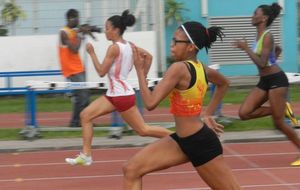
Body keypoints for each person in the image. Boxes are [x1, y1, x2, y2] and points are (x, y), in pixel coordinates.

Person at [123, 21, 241, 190]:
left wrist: (140, 71)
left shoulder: (178, 68)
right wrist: (208, 113)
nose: (171, 46)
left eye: (175, 41)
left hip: (200, 143)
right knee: (131, 169)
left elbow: (150, 103)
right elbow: (223, 83)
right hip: (181, 141)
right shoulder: (201, 68)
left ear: (191, 47)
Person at [65, 10, 172, 166]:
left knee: (143, 130)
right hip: (114, 95)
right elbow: (148, 56)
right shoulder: (131, 46)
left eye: (107, 28)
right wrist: (144, 75)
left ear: (116, 30)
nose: (106, 31)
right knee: (85, 115)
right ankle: (86, 155)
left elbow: (101, 72)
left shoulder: (114, 48)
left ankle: (181, 139)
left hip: (121, 96)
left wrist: (92, 53)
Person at [233, 3, 300, 166]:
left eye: (255, 13)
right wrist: (272, 58)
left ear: (263, 18)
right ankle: (282, 109)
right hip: (265, 81)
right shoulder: (261, 35)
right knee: (244, 113)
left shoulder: (267, 36)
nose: (252, 16)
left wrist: (246, 48)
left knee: (279, 124)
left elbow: (263, 63)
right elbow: (278, 49)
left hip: (277, 80)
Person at [58, 9, 90, 128]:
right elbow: (74, 49)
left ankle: (84, 120)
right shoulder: (63, 32)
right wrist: (81, 35)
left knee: (84, 95)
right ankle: (76, 122)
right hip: (72, 69)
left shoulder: (73, 31)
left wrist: (83, 32)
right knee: (81, 96)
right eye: (77, 17)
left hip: (79, 67)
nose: (78, 20)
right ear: (70, 18)